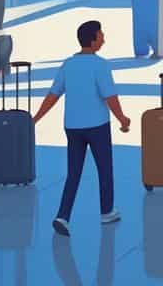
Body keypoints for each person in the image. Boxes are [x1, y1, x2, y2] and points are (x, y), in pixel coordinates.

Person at [33, 20, 130, 237]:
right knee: (104, 169)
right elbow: (110, 97)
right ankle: (106, 211)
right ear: (93, 40)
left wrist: (35, 119)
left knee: (73, 173)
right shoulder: (100, 65)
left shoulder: (68, 65)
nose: (104, 39)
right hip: (97, 126)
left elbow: (53, 95)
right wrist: (122, 119)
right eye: (101, 35)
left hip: (72, 127)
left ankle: (62, 216)